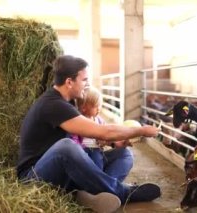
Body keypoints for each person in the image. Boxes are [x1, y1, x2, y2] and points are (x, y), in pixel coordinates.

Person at [16, 55, 161, 213]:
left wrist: (114, 143)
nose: (87, 84)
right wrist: (141, 130)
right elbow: (104, 132)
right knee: (67, 147)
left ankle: (92, 194)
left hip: (63, 171)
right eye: (84, 80)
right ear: (69, 82)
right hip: (35, 176)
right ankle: (122, 192)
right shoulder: (53, 104)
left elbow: (93, 135)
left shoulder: (68, 101)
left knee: (123, 154)